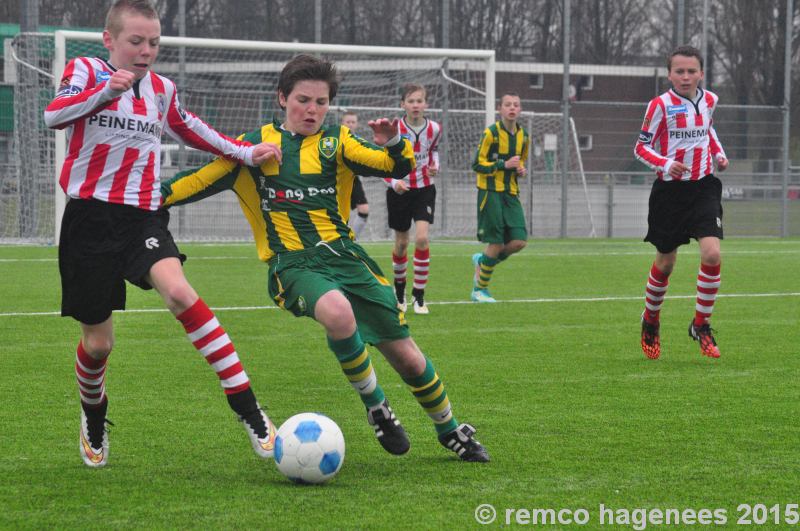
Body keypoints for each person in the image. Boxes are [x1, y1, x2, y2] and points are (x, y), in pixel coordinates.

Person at [162, 54, 489, 462]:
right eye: (303, 100)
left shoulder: (338, 142)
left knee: (406, 355)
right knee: (337, 313)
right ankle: (377, 407)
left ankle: (450, 430)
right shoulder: (253, 148)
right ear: (282, 98)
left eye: (320, 102)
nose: (312, 110)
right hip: (293, 264)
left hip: (347, 259)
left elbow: (393, 165)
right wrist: (143, 200)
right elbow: (190, 183)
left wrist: (391, 142)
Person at [43, 0, 280, 468]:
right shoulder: (87, 70)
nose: (146, 50)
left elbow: (190, 128)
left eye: (153, 42)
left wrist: (245, 153)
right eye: (136, 41)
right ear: (110, 40)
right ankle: (94, 414)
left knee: (179, 292)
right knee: (99, 344)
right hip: (89, 220)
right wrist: (105, 93)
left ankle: (251, 411)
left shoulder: (162, 89)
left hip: (143, 218)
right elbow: (54, 116)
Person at [634, 45, 728, 360]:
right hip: (670, 192)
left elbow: (708, 131)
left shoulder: (711, 100)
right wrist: (665, 164)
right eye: (679, 71)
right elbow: (641, 147)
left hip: (704, 188)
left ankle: (701, 325)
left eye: (691, 71)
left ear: (701, 73)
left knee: (712, 254)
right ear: (670, 73)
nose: (685, 77)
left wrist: (719, 153)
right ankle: (651, 320)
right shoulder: (659, 105)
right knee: (666, 262)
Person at [386, 84, 441, 315]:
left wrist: (436, 166)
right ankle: (400, 292)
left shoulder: (435, 128)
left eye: (420, 101)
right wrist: (393, 182)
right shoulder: (393, 129)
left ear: (425, 104)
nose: (416, 105)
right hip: (400, 190)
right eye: (411, 101)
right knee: (401, 244)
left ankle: (419, 296)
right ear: (403, 104)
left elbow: (434, 151)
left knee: (422, 239)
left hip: (424, 189)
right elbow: (382, 161)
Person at [470, 92, 530, 303]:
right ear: (500, 109)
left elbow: (520, 163)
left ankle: (483, 260)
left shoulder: (524, 136)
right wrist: (502, 165)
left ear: (520, 109)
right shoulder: (491, 133)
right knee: (495, 242)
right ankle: (479, 290)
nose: (512, 108)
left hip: (511, 193)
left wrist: (520, 170)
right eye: (508, 105)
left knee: (519, 241)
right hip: (490, 192)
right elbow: (477, 164)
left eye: (516, 104)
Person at [341, 111, 370, 240]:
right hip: (338, 180)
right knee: (339, 214)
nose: (351, 124)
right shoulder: (337, 139)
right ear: (342, 123)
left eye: (353, 122)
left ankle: (352, 241)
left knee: (364, 210)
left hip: (354, 179)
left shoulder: (359, 141)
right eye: (348, 122)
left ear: (356, 124)